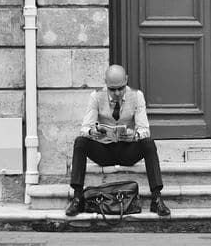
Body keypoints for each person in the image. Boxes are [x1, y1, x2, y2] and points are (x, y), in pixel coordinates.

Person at [65, 65, 171, 217]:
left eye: (120, 88)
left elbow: (144, 129)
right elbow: (84, 128)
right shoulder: (96, 96)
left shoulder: (137, 96)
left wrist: (134, 135)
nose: (117, 93)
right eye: (112, 89)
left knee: (148, 143)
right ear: (105, 84)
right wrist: (93, 132)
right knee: (80, 142)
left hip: (127, 151)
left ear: (126, 80)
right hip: (104, 151)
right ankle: (77, 197)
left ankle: (156, 198)